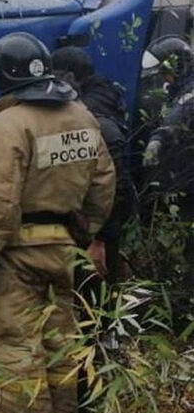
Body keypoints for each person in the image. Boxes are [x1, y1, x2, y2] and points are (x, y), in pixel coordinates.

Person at [0, 32, 116, 413]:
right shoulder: (83, 117)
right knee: (60, 345)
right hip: (63, 255)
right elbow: (104, 185)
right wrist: (84, 233)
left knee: (14, 349)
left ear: (5, 78)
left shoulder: (7, 127)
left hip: (16, 256)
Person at [52, 46, 136, 283]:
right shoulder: (105, 99)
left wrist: (100, 239)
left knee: (96, 299)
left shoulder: (92, 116)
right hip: (96, 227)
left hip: (97, 232)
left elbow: (114, 185)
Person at [139, 35, 194, 286]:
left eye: (164, 73)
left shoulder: (189, 93)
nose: (163, 80)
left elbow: (175, 119)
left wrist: (157, 141)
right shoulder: (180, 91)